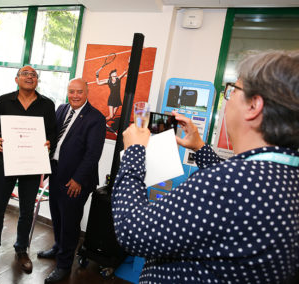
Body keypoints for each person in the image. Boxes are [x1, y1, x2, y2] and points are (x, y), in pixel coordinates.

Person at [111, 50, 299, 283]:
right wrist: (200, 147)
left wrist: (133, 153)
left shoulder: (229, 183)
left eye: (233, 91)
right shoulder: (281, 175)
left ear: (254, 106)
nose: (227, 100)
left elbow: (133, 232)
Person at [0, 66, 57, 274]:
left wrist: (48, 143)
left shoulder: (47, 105)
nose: (30, 77)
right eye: (25, 74)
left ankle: (21, 249)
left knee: (27, 211)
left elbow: (53, 135)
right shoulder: (3, 101)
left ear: (37, 81)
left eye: (34, 75)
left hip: (31, 163)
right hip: (7, 161)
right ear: (16, 79)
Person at [38, 78, 106, 283]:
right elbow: (54, 139)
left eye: (79, 92)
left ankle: (64, 265)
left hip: (76, 179)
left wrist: (78, 179)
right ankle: (58, 248)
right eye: (71, 91)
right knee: (57, 216)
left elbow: (93, 154)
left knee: (69, 222)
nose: (75, 95)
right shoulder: (61, 109)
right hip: (56, 172)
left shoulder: (96, 118)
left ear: (87, 92)